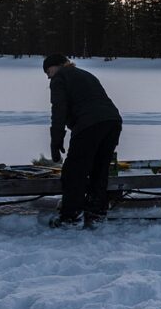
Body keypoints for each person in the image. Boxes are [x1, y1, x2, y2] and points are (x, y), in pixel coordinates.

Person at [44, 54, 123, 228]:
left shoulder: (60, 78)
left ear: (56, 66)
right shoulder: (85, 74)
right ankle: (96, 213)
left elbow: (59, 110)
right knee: (99, 169)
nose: (48, 77)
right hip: (112, 122)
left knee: (74, 171)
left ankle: (71, 216)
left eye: (48, 71)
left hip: (90, 124)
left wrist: (56, 141)